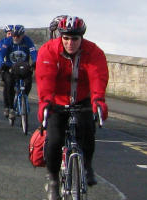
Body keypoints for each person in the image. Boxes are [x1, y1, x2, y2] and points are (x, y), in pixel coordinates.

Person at [35, 16, 109, 200]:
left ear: (81, 38)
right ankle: (52, 180)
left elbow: (98, 77)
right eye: (66, 38)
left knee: (88, 131)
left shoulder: (93, 52)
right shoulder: (49, 50)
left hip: (82, 100)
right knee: (54, 139)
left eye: (74, 39)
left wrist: (98, 101)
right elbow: (45, 79)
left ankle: (88, 166)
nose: (70, 43)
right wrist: (45, 103)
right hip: (57, 101)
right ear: (60, 36)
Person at [0, 25, 37, 119]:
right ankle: (10, 108)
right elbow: (1, 53)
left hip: (23, 67)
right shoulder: (7, 42)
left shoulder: (27, 40)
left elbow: (33, 52)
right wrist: (2, 63)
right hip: (10, 67)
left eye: (18, 36)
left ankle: (24, 98)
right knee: (9, 83)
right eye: (13, 35)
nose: (15, 38)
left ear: (22, 35)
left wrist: (35, 61)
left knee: (28, 83)